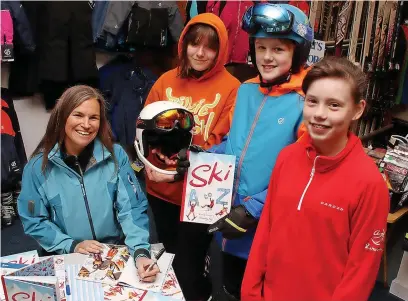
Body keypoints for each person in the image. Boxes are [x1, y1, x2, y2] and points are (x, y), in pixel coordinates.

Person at [171, 4, 312, 300]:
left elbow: (304, 171)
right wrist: (200, 159)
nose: (267, 57)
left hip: (268, 225)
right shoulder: (247, 90)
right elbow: (233, 146)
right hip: (229, 218)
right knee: (229, 287)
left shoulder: (307, 101)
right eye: (261, 47)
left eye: (279, 49)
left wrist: (253, 209)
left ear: (298, 53)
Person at [242, 57, 390, 301]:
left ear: (358, 109)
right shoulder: (287, 158)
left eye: (334, 105)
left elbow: (360, 274)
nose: (319, 114)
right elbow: (264, 235)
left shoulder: (370, 184)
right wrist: (250, 293)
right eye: (312, 101)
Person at [140, 13, 240, 301]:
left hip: (199, 195)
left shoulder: (232, 87)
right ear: (183, 44)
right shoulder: (166, 80)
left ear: (219, 50)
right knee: (169, 256)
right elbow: (144, 127)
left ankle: (201, 293)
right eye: (194, 44)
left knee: (190, 267)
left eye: (209, 47)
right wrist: (149, 161)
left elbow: (224, 141)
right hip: (161, 188)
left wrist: (193, 157)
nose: (200, 52)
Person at [17, 85, 159, 282]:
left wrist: (141, 252)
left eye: (93, 117)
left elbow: (132, 209)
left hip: (113, 251)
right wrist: (71, 244)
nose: (86, 124)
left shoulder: (116, 156)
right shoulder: (37, 168)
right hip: (66, 255)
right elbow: (34, 221)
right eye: (78, 115)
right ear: (62, 116)